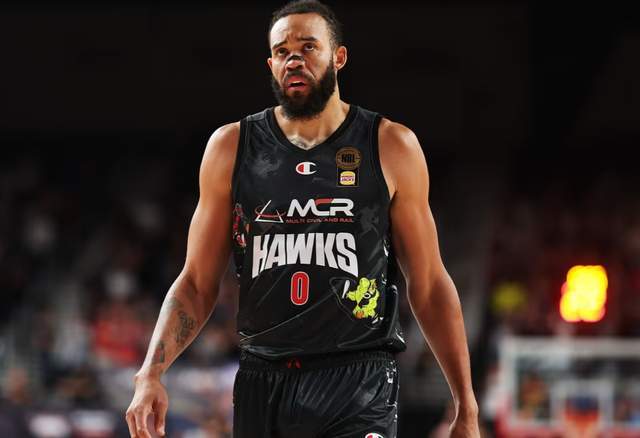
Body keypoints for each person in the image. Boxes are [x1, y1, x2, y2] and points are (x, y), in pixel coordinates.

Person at [125, 1, 480, 437]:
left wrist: (465, 403)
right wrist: (150, 372)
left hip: (358, 380)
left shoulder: (390, 145)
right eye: (282, 51)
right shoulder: (232, 147)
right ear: (271, 65)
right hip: (264, 380)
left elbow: (428, 284)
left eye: (309, 47)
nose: (294, 59)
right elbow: (197, 283)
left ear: (339, 57)